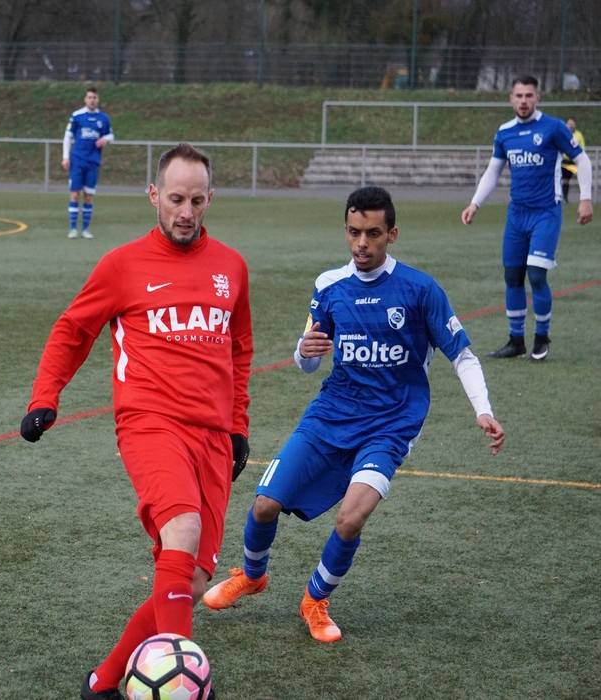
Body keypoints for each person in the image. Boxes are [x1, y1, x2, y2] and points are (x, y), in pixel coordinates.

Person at [203, 186, 505, 645]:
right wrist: (304, 351)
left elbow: (461, 354)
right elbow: (307, 361)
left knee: (350, 518)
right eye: (354, 232)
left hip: (391, 424)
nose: (362, 243)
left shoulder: (420, 289)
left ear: (392, 235)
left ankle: (315, 600)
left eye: (373, 234)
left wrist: (483, 410)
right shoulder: (329, 286)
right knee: (264, 505)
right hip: (331, 414)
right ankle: (252, 574)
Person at [21, 143, 252, 700]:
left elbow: (239, 350)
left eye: (197, 200)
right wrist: (45, 396)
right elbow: (73, 329)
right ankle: (182, 684)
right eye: (175, 199)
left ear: (210, 198)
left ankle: (103, 682)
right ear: (153, 195)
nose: (186, 212)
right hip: (150, 423)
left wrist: (238, 426)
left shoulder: (232, 267)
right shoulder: (122, 265)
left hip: (213, 436)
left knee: (191, 581)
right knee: (183, 529)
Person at [461, 75, 592, 362]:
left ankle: (541, 338)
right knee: (512, 276)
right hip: (517, 215)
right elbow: (493, 171)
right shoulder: (505, 132)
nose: (523, 101)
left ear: (537, 98)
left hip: (546, 212)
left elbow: (582, 159)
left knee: (536, 274)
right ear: (511, 99)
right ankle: (516, 340)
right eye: (519, 96)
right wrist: (475, 203)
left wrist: (585, 198)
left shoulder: (553, 127)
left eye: (528, 96)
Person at [62, 85, 114, 240]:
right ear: (85, 99)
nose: (92, 100)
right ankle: (73, 229)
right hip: (77, 160)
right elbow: (67, 137)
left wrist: (105, 139)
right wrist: (65, 157)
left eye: (94, 98)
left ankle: (85, 229)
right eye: (89, 97)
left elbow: (111, 135)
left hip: (93, 162)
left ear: (98, 99)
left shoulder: (103, 118)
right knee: (75, 194)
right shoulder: (77, 116)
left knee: (88, 196)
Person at [561, 118, 586, 204]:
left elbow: (582, 147)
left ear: (575, 125)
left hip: (574, 161)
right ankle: (563, 197)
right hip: (564, 161)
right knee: (564, 179)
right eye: (569, 124)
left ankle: (583, 197)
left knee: (578, 178)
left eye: (572, 124)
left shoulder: (578, 135)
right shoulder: (562, 133)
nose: (571, 126)